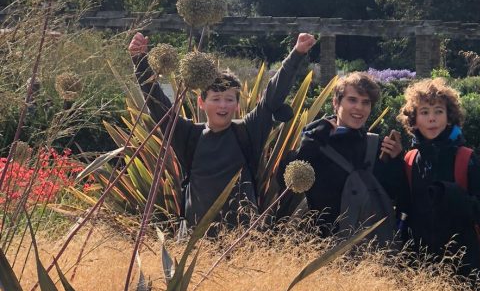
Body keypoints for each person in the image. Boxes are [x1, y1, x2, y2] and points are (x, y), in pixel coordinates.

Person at [128, 31, 316, 229]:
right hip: (195, 246)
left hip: (242, 244)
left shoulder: (248, 131)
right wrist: (139, 60)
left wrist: (297, 53)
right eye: (216, 99)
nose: (223, 106)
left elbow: (272, 96)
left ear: (237, 104)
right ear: (201, 102)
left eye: (229, 99)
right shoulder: (188, 135)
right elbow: (159, 106)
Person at [279, 72, 403, 243]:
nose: (359, 107)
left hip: (361, 250)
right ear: (336, 103)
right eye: (352, 100)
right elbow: (288, 183)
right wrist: (312, 141)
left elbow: (390, 193)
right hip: (317, 247)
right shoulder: (316, 140)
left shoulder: (375, 146)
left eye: (366, 102)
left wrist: (396, 160)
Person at [397, 78, 480, 280]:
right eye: (424, 112)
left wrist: (453, 194)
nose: (432, 118)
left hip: (462, 265)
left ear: (449, 117)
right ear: (414, 120)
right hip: (419, 265)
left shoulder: (466, 157)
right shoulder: (410, 159)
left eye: (438, 111)